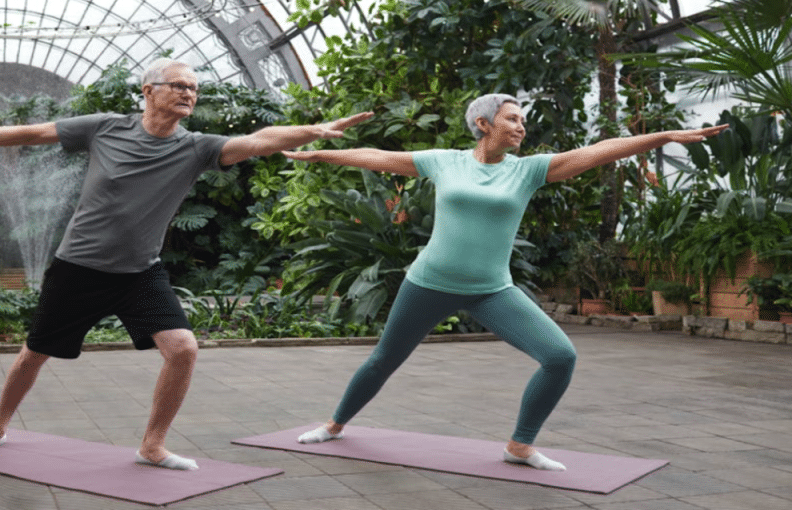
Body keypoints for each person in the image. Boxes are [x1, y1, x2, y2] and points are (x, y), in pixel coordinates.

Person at [0, 58, 373, 470]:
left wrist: (314, 129)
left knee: (184, 349)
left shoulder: (197, 148)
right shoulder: (105, 128)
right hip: (78, 267)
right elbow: (34, 132)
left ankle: (152, 445)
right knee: (34, 353)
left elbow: (258, 142)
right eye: (177, 84)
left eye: (194, 88)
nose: (188, 93)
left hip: (140, 272)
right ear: (147, 90)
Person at [285, 93, 727, 471]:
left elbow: (602, 149)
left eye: (523, 121)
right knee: (384, 360)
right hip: (428, 283)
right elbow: (377, 158)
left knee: (559, 356)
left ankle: (520, 445)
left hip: (491, 289)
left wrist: (663, 136)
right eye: (512, 119)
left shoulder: (528, 170)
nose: (521, 127)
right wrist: (319, 152)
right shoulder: (444, 162)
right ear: (483, 123)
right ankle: (334, 424)